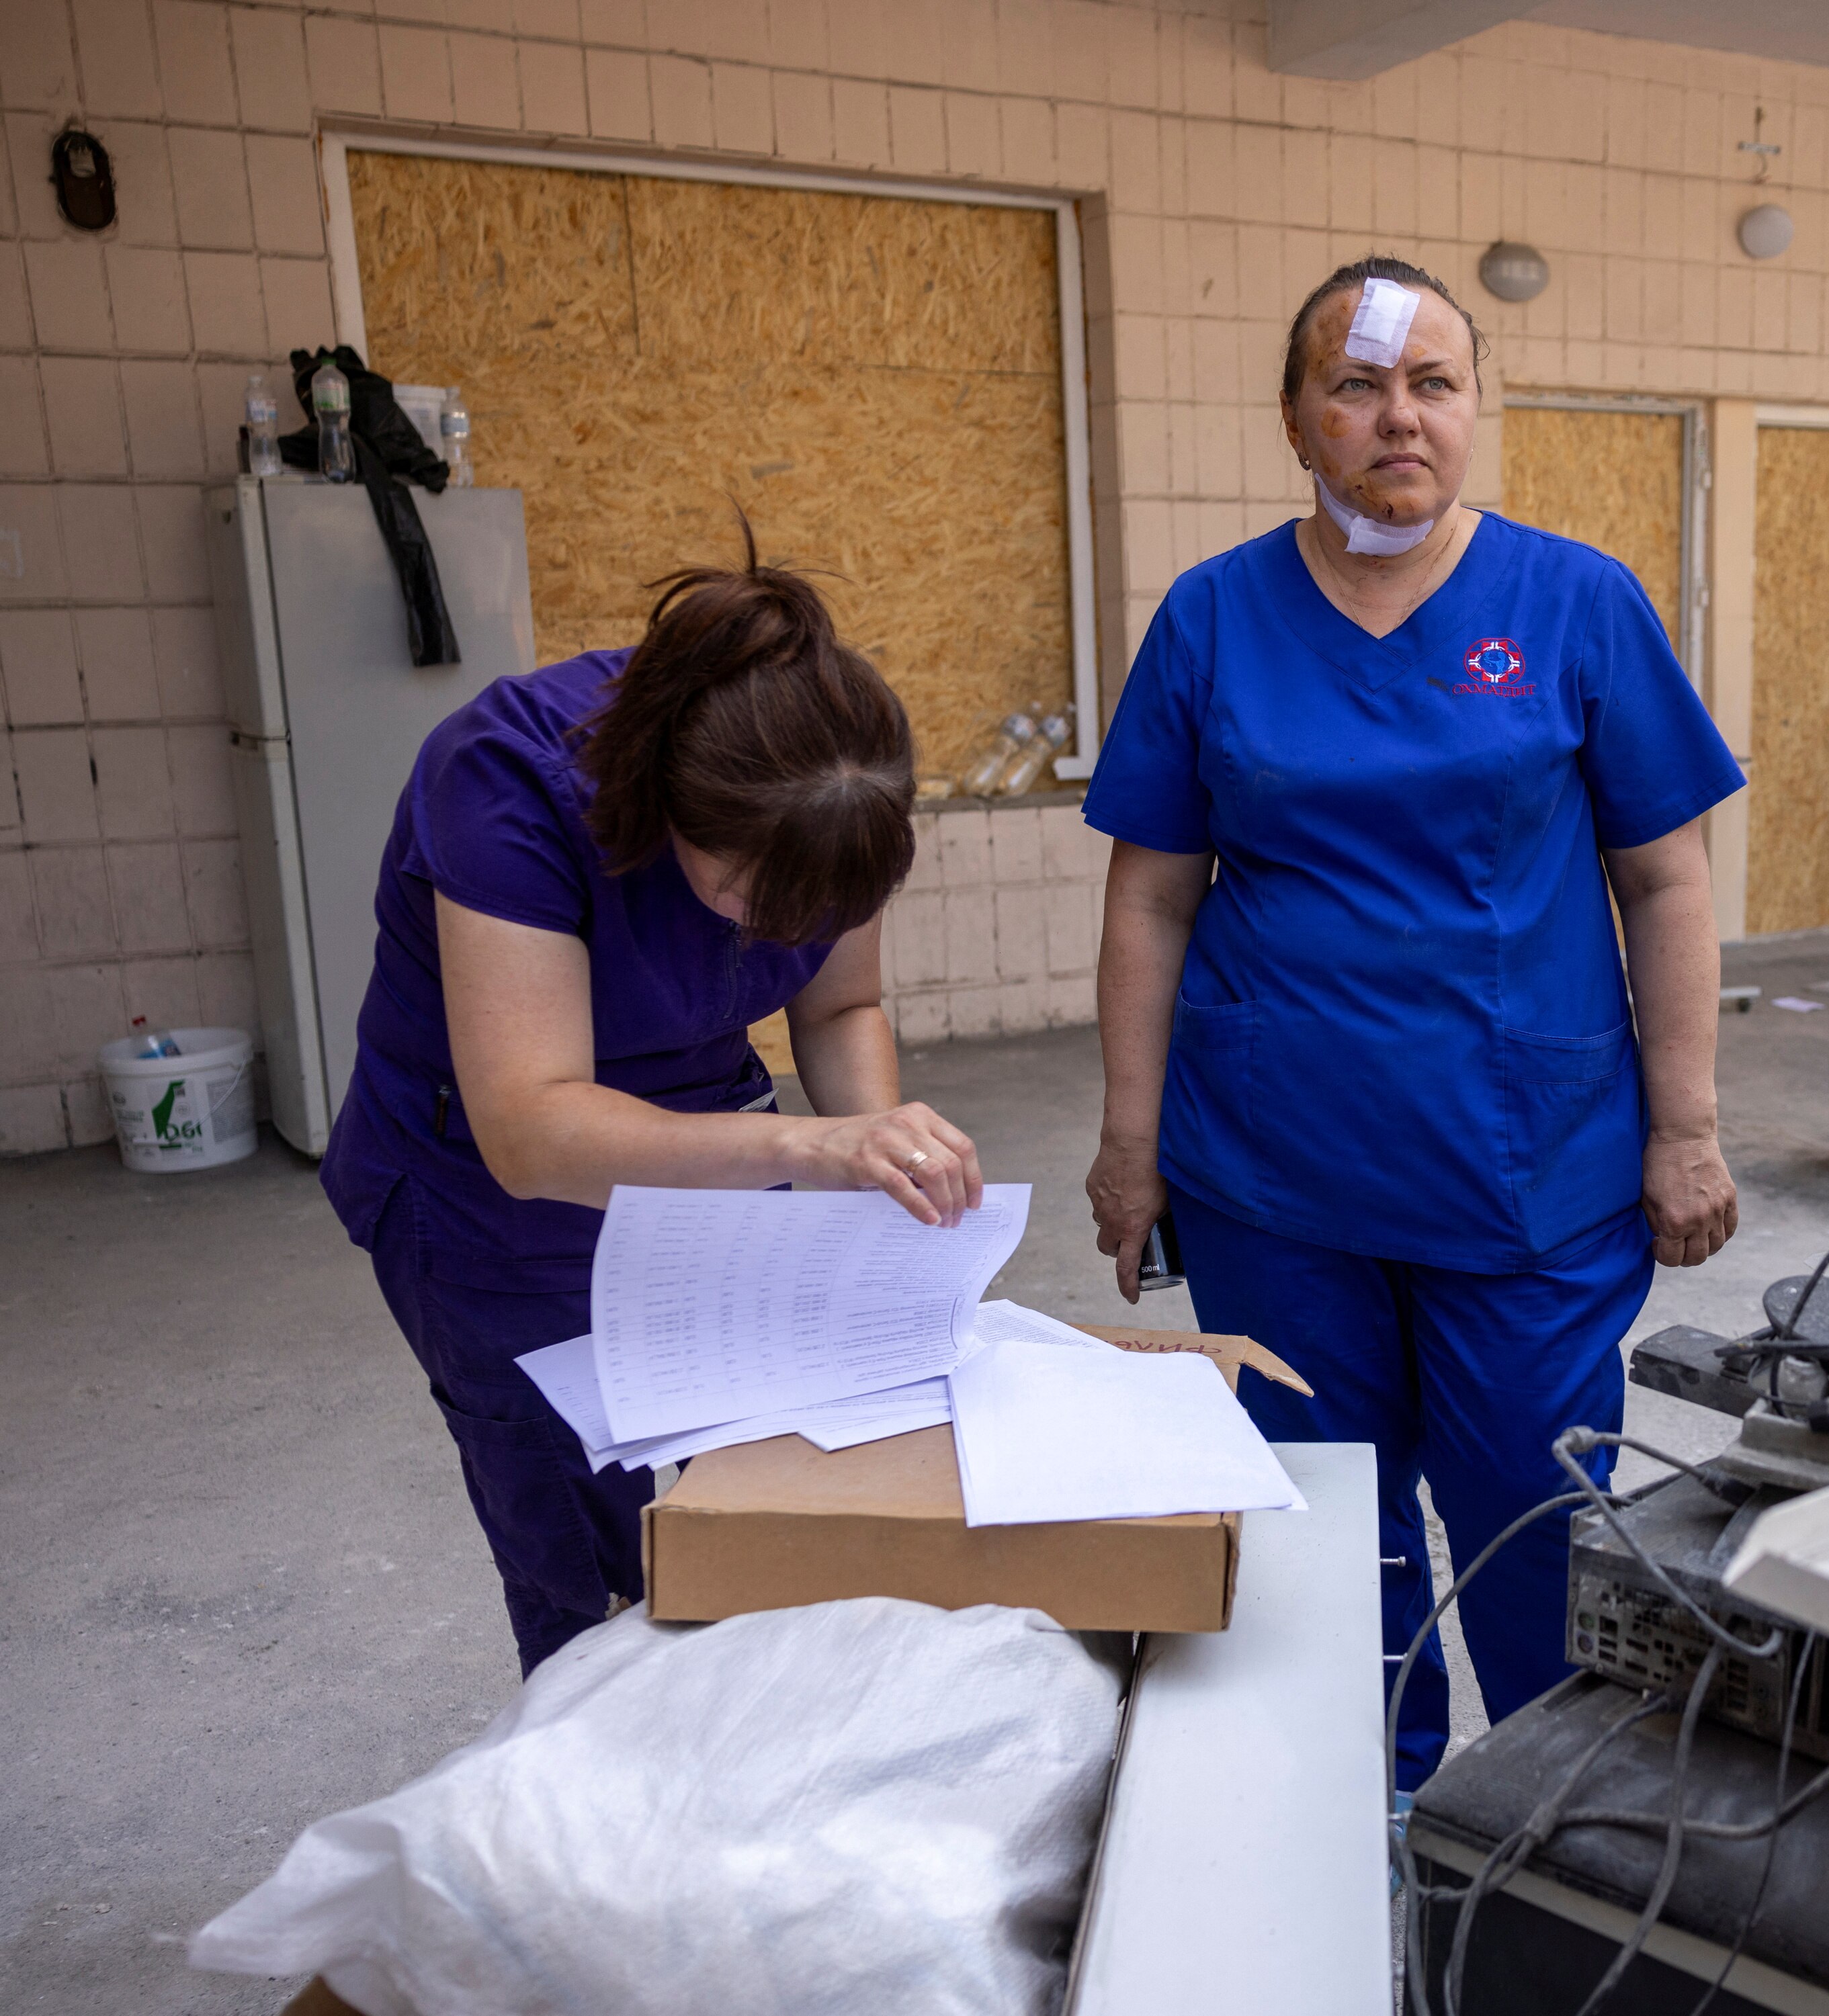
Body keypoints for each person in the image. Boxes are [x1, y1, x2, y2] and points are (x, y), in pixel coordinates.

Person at [1081, 256, 1746, 1790]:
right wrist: (1132, 1149)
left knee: (1536, 1515)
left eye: (1432, 381)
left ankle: (1550, 1829)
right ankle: (1360, 1817)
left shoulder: (1575, 603)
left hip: (1529, 1179)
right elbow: (1149, 901)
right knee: (1316, 1523)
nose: (1398, 414)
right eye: (1357, 382)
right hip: (1272, 1181)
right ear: (1295, 418)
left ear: (1474, 410)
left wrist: (1687, 1123)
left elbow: (1663, 879)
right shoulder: (1209, 620)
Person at [316, 537, 985, 1675]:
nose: (779, 938)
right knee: (594, 1571)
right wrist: (808, 1143)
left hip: (712, 1154)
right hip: (488, 1198)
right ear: (669, 812)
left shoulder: (828, 780)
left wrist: (881, 1163)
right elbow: (532, 1131)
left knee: (768, 1498)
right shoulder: (504, 781)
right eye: (748, 905)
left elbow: (839, 1009)